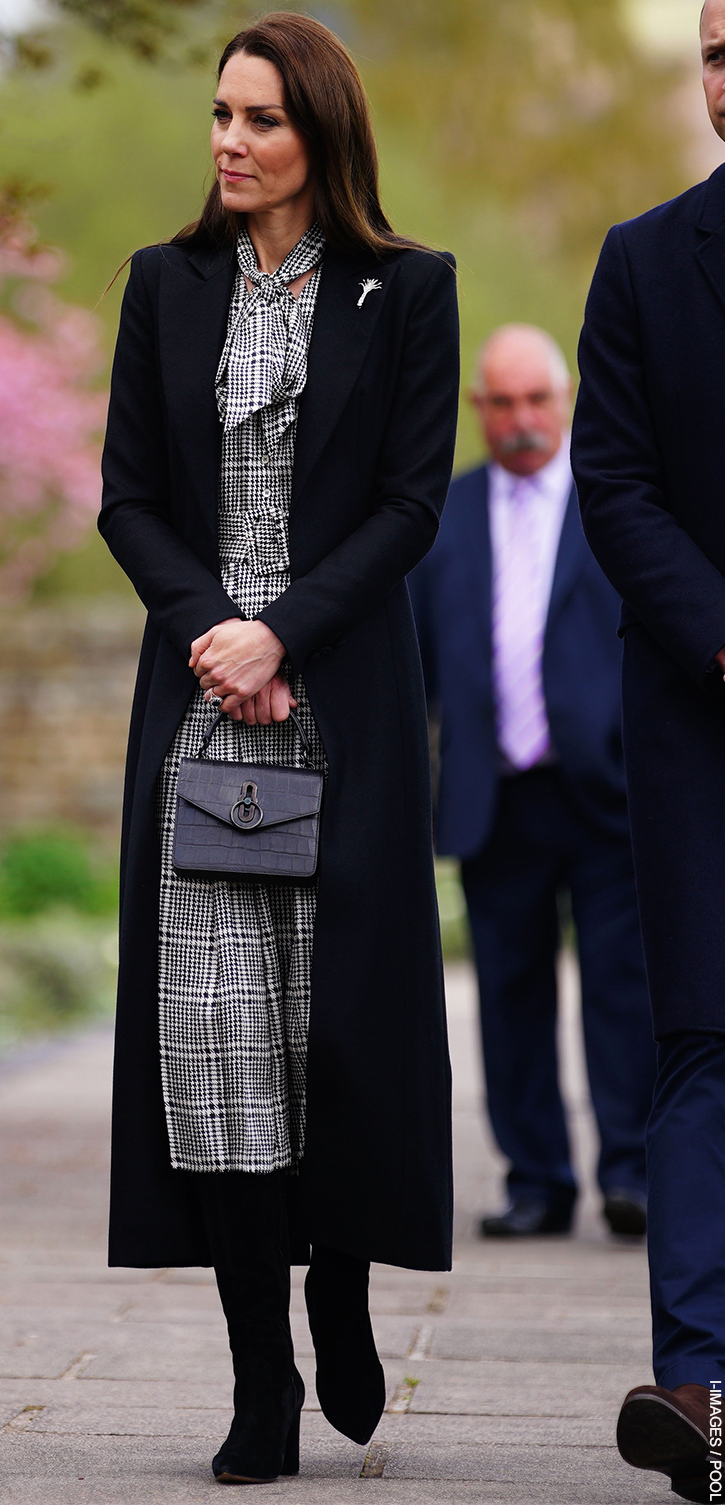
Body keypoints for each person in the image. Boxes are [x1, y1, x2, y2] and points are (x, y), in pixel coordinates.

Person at [99, 11, 459, 1487]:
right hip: (200, 716)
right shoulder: (162, 286)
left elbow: (408, 504)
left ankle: (345, 1282)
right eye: (220, 115)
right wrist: (214, 630)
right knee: (220, 1043)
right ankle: (262, 1382)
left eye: (261, 119)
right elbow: (126, 495)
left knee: (340, 1039)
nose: (231, 142)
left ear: (322, 134)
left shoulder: (408, 288)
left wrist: (285, 632)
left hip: (345, 714)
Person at [571, 4, 725, 1499]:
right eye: (720, 48)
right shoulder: (641, 262)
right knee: (705, 1044)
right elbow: (613, 486)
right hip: (701, 723)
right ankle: (699, 1383)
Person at [410, 324, 656, 1242]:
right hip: (493, 791)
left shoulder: (617, 502)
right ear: (478, 409)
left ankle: (631, 1172)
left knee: (623, 989)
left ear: (566, 400)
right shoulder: (442, 515)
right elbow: (415, 658)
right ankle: (535, 1182)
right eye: (500, 403)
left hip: (605, 790)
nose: (519, 420)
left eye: (535, 400)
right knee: (509, 992)